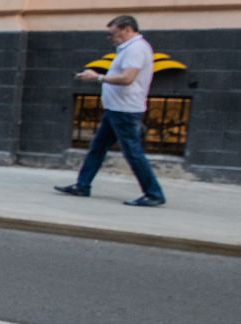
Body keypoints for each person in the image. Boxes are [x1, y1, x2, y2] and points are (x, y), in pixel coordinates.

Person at [57, 14, 167, 207]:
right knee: (97, 148)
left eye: (112, 33)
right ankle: (82, 185)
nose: (110, 38)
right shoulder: (128, 48)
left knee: (132, 152)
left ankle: (153, 193)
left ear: (126, 29)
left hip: (125, 110)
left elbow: (127, 78)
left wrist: (97, 78)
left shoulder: (136, 49)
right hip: (115, 109)